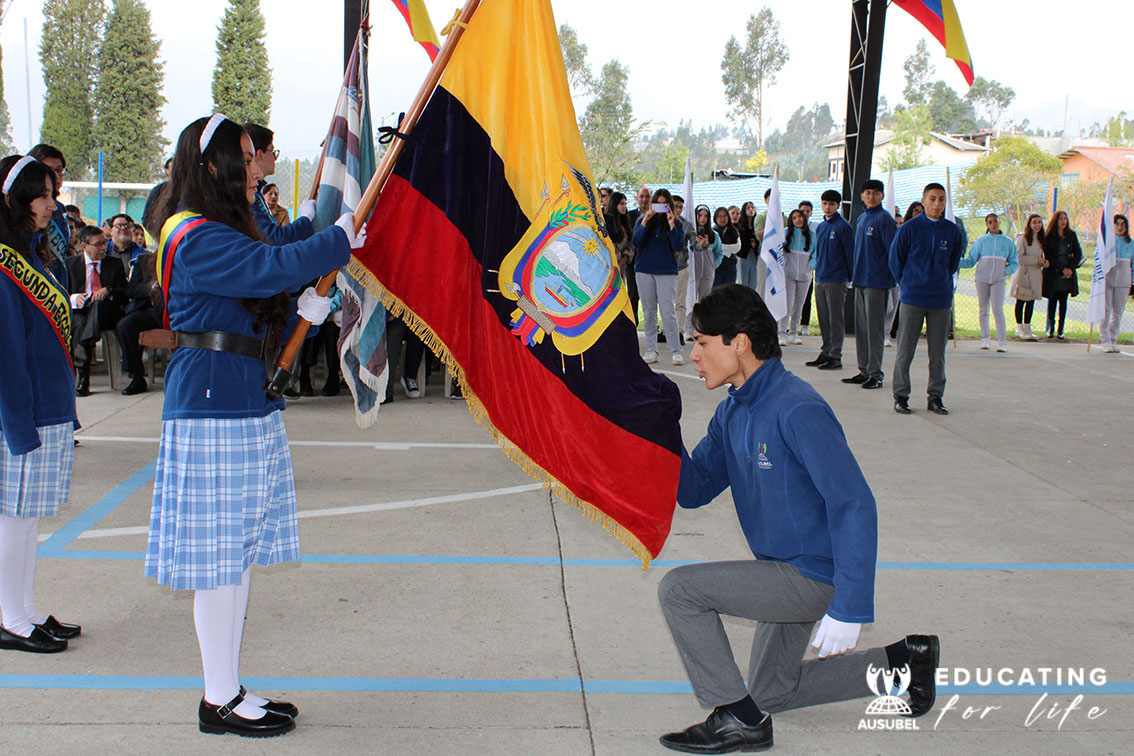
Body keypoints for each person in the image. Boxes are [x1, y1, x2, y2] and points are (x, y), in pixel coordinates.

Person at [144, 115, 359, 737]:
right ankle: (217, 699)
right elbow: (265, 268)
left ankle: (230, 686)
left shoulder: (216, 227)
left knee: (235, 556)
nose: (252, 165)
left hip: (240, 395)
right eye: (242, 155)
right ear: (210, 166)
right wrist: (336, 239)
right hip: (213, 402)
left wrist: (304, 310)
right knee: (219, 561)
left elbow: (258, 285)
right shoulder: (189, 231)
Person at [657, 283, 939, 754]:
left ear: (739, 342)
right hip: (782, 569)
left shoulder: (797, 407)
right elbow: (693, 490)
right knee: (772, 692)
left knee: (679, 590)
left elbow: (852, 503)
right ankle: (904, 663)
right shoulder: (734, 412)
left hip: (814, 574)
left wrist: (849, 604)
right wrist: (658, 426)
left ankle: (736, 719)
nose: (693, 356)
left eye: (702, 343)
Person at [0, 154, 82, 654]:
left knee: (28, 518)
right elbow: (7, 352)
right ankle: (9, 615)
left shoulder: (32, 255)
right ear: (16, 200)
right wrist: (19, 423)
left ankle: (24, 608)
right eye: (44, 195)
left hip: (46, 407)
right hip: (22, 415)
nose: (53, 204)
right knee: (12, 517)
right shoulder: (5, 264)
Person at [888, 183, 964, 415]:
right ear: (923, 201)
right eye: (932, 199)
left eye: (941, 199)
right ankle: (901, 396)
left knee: (937, 352)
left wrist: (939, 281)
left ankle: (935, 397)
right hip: (913, 297)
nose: (937, 204)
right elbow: (895, 260)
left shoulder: (952, 231)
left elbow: (952, 263)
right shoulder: (909, 229)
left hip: (940, 299)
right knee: (905, 349)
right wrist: (909, 282)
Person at [842, 180, 896, 390]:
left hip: (877, 281)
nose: (871, 196)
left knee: (874, 329)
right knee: (862, 329)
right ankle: (863, 369)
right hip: (861, 280)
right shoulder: (863, 218)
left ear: (881, 196)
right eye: (867, 193)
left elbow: (893, 251)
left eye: (875, 193)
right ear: (862, 196)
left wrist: (891, 277)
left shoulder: (884, 220)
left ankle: (876, 373)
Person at [66, 225, 128, 396]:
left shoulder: (114, 264)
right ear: (84, 246)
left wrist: (109, 290)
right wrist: (73, 298)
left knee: (98, 305)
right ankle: (83, 380)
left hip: (107, 312)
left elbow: (125, 293)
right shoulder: (70, 265)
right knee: (78, 321)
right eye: (98, 244)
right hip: (81, 311)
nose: (103, 248)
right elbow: (62, 292)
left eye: (105, 243)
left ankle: (83, 349)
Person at [631, 189, 684, 365]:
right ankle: (651, 349)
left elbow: (678, 246)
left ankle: (676, 350)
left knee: (668, 312)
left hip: (666, 271)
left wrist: (671, 224)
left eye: (664, 204)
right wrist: (646, 220)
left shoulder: (677, 224)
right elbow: (637, 242)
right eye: (657, 203)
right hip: (644, 270)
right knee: (649, 312)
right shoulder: (642, 221)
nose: (661, 208)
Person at [243, 123, 317, 244]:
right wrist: (306, 218)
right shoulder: (246, 195)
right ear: (260, 154)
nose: (274, 158)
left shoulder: (257, 192)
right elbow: (274, 238)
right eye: (272, 152)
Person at [805, 189, 854, 370]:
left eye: (831, 204)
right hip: (822, 277)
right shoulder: (822, 227)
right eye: (825, 204)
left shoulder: (843, 227)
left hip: (837, 278)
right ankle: (826, 351)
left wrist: (850, 277)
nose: (828, 207)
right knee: (824, 317)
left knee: (835, 318)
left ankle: (835, 355)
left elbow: (850, 254)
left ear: (838, 206)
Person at [959, 213, 1019, 352]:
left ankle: (1002, 341)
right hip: (982, 279)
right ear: (987, 224)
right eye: (990, 222)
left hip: (999, 280)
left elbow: (1014, 263)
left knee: (998, 309)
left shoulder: (1008, 242)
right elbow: (970, 261)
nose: (993, 224)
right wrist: (955, 263)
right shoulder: (981, 241)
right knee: (983, 309)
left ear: (999, 222)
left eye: (996, 221)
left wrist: (1004, 272)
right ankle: (985, 339)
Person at [28, 144, 71, 290]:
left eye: (59, 170)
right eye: (48, 170)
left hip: (58, 285)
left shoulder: (60, 211)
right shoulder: (21, 212)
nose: (55, 176)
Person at [1041, 210, 1083, 340]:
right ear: (1055, 221)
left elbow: (1078, 253)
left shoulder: (1071, 235)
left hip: (1067, 274)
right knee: (1052, 301)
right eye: (1061, 219)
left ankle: (1061, 329)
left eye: (1065, 218)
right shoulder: (1049, 236)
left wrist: (1070, 268)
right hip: (1054, 273)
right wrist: (1060, 269)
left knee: (1063, 301)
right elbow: (1048, 256)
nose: (1063, 221)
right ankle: (1051, 327)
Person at [1009, 214, 1045, 341]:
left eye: (1039, 222)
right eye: (1034, 222)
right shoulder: (1022, 237)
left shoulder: (1041, 238)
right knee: (1021, 300)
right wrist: (1036, 260)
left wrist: (1043, 262)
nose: (1037, 225)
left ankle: (1027, 327)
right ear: (1029, 224)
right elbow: (1018, 257)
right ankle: (1019, 327)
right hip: (1024, 273)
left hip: (1035, 273)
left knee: (1031, 301)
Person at [780, 209, 813, 344]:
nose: (798, 220)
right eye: (794, 218)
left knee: (799, 304)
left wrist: (811, 266)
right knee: (787, 304)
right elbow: (778, 251)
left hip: (805, 275)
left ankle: (793, 332)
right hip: (788, 273)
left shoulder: (812, 235)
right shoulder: (786, 232)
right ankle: (781, 332)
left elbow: (816, 253)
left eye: (800, 217)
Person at [1101, 214, 1133, 353]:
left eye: (1123, 224)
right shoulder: (1107, 242)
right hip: (1108, 279)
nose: (1120, 227)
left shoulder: (1131, 243)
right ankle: (1105, 340)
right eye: (1117, 224)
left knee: (1118, 312)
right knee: (1106, 311)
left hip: (1123, 281)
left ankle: (1113, 338)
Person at [625, 185, 652, 323]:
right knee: (633, 294)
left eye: (647, 196)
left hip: (651, 260)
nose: (644, 199)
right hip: (633, 261)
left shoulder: (657, 215)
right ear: (637, 198)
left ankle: (652, 324)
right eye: (641, 196)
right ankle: (633, 321)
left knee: (651, 296)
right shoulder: (629, 216)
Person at [671, 195, 696, 344]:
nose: (678, 210)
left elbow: (696, 244)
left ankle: (679, 332)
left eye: (681, 207)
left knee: (680, 303)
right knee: (664, 302)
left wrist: (704, 244)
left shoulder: (686, 225)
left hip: (681, 268)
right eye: (675, 206)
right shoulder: (659, 223)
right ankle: (666, 330)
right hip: (664, 269)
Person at [797, 201, 818, 335]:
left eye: (807, 211)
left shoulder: (815, 228)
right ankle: (790, 326)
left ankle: (804, 325)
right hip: (792, 269)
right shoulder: (791, 229)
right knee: (792, 299)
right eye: (802, 211)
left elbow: (816, 250)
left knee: (806, 297)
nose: (805, 214)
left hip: (807, 269)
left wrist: (811, 265)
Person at [713, 207, 740, 287]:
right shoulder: (712, 232)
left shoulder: (734, 231)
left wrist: (721, 248)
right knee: (716, 294)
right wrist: (728, 250)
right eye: (720, 216)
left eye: (725, 216)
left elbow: (737, 248)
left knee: (729, 295)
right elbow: (713, 248)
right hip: (716, 268)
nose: (722, 219)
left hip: (730, 268)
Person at [737, 201, 759, 290]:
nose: (751, 210)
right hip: (743, 256)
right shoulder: (740, 226)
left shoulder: (757, 225)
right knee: (743, 283)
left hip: (755, 256)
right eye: (748, 208)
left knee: (754, 284)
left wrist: (755, 245)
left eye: (752, 207)